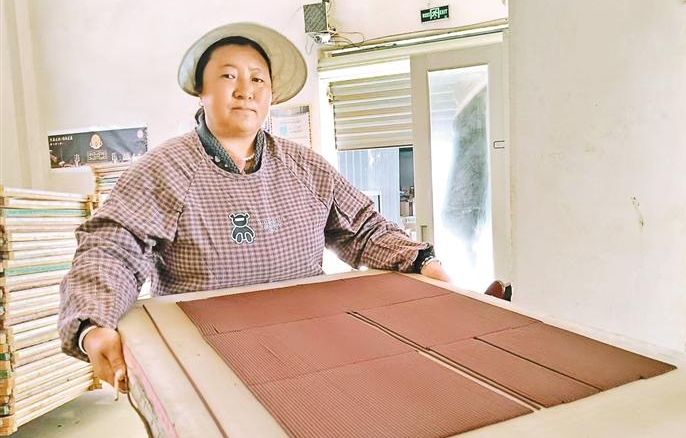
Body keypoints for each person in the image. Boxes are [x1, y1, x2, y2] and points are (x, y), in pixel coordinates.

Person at [58, 21, 449, 395]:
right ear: (201, 91)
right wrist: (94, 323)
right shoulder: (164, 170)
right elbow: (113, 249)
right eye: (229, 76)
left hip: (309, 346)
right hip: (204, 359)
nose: (245, 90)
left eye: (258, 79)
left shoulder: (306, 166)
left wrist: (420, 259)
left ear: (271, 95)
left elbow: (363, 229)